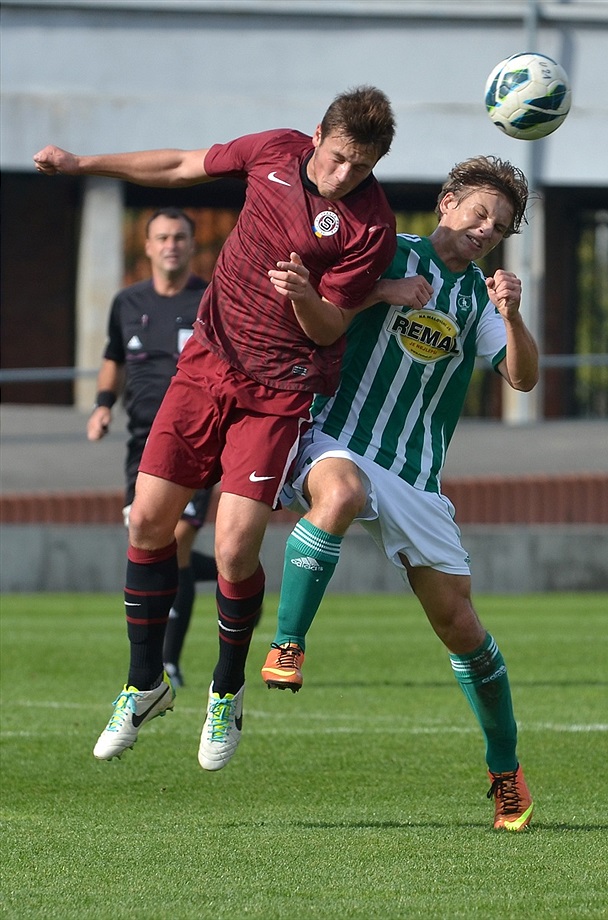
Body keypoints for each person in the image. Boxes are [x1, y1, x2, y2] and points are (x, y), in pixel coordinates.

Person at [34, 85, 397, 771]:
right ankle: (145, 685)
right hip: (206, 366)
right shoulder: (273, 153)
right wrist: (83, 165)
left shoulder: (370, 226)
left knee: (233, 552)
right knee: (147, 522)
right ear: (319, 134)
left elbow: (332, 327)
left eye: (364, 165)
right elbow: (178, 165)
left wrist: (303, 299)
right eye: (342, 157)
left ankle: (225, 693)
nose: (347, 174)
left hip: (281, 392)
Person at [260, 156, 538, 831]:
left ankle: (507, 772)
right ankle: (288, 643)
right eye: (478, 212)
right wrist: (383, 291)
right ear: (447, 202)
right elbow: (317, 301)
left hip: (415, 474)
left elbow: (522, 380)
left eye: (499, 227)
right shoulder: (386, 251)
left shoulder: (479, 300)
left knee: (462, 628)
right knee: (342, 491)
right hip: (337, 437)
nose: (484, 229)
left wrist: (514, 316)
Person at [87, 207, 218, 690]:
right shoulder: (126, 301)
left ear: (190, 244)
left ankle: (168, 662)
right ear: (147, 246)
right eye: (162, 237)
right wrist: (103, 406)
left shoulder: (210, 298)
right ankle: (226, 565)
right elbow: (113, 357)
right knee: (153, 541)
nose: (171, 245)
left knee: (176, 539)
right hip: (141, 445)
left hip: (197, 438)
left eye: (180, 237)